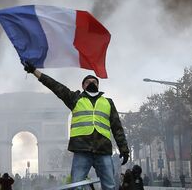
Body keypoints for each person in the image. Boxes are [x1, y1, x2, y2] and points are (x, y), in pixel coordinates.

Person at [23, 62, 130, 190]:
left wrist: (124, 149)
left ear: (98, 85)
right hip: (82, 150)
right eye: (88, 81)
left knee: (110, 186)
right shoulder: (75, 98)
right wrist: (35, 72)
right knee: (76, 186)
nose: (91, 83)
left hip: (103, 149)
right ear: (83, 86)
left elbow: (117, 128)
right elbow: (55, 86)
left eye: (94, 82)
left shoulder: (108, 102)